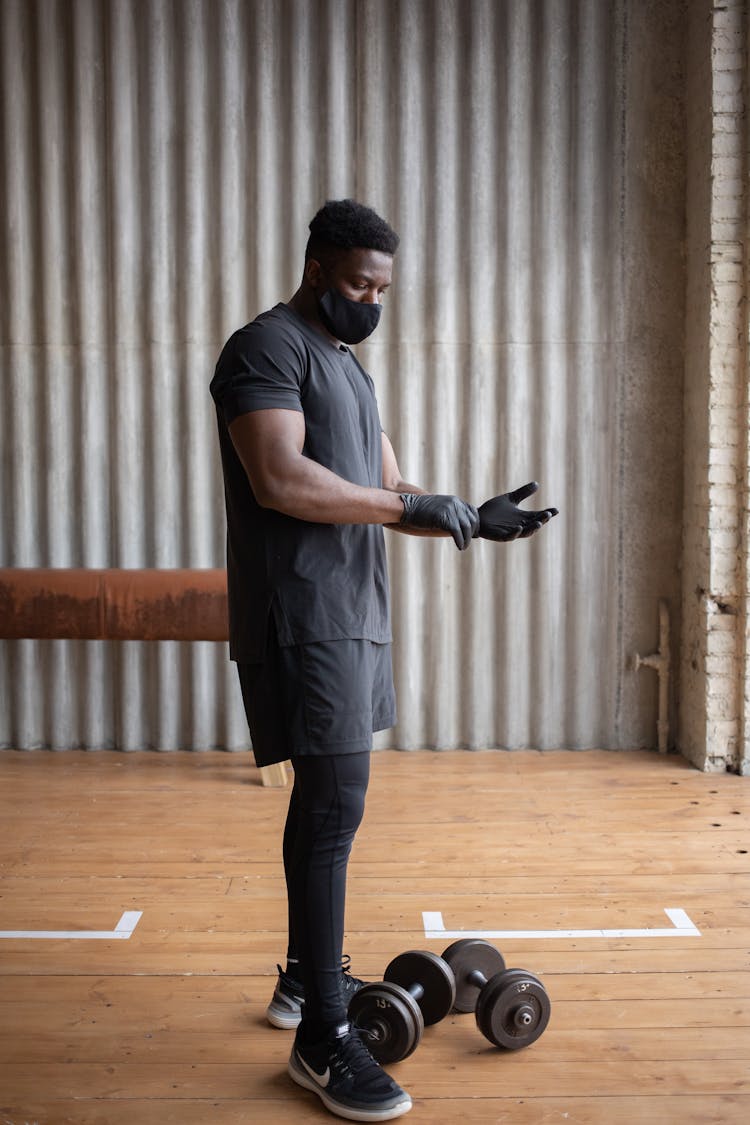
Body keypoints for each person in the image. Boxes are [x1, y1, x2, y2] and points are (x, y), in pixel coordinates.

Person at [210, 199, 557, 1122]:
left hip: (355, 613)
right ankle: (321, 1037)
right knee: (333, 808)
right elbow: (281, 478)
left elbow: (388, 485)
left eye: (384, 289)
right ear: (318, 267)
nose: (372, 300)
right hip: (305, 612)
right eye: (359, 283)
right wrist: (416, 510)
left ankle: (303, 981)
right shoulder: (267, 349)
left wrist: (467, 514)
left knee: (333, 806)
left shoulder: (348, 370)